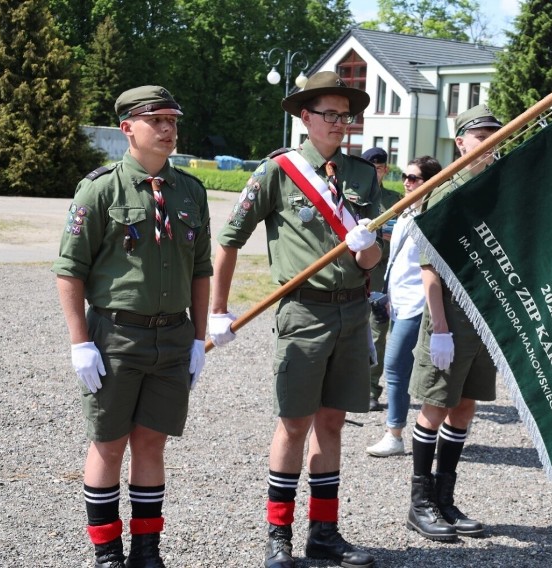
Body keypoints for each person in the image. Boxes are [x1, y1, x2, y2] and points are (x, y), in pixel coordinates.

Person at [208, 71, 381, 568]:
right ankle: (278, 536)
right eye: (329, 114)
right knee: (293, 424)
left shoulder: (364, 175)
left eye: (345, 115)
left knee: (332, 423)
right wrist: (218, 311)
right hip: (304, 311)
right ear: (305, 118)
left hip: (352, 310)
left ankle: (323, 533)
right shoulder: (278, 172)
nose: (339, 123)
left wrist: (367, 249)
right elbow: (229, 241)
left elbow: (373, 262)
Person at [52, 85, 212, 567]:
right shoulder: (100, 189)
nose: (168, 129)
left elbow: (201, 268)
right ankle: (107, 555)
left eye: (172, 120)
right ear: (127, 129)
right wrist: (81, 342)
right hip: (116, 336)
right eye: (156, 120)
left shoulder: (190, 190)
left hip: (173, 336)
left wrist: (199, 338)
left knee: (151, 443)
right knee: (108, 444)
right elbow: (70, 270)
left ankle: (146, 552)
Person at [405, 104, 503, 542]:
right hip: (450, 317)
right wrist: (440, 326)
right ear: (461, 142)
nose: (490, 143)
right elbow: (430, 266)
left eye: (494, 135)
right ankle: (420, 503)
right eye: (480, 136)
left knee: (464, 407)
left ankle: (445, 498)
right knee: (435, 407)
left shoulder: (498, 187)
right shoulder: (446, 191)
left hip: (483, 317)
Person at [366, 156, 442, 457]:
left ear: (430, 182)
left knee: (395, 365)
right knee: (406, 367)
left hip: (418, 304)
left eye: (413, 178)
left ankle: (394, 433)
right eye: (405, 176)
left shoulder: (432, 216)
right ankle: (421, 429)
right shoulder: (406, 211)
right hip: (398, 302)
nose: (406, 183)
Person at [361, 146, 402, 412]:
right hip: (356, 274)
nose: (374, 173)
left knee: (377, 332)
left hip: (383, 275)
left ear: (385, 169)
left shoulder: (396, 201)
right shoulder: (352, 197)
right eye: (369, 168)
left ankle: (370, 390)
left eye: (378, 168)